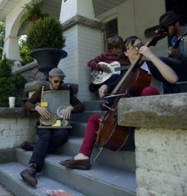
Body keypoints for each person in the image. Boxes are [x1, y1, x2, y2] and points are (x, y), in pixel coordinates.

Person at [59, 36, 178, 170]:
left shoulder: (149, 65)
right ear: (126, 53)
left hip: (150, 114)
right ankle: (83, 157)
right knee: (93, 119)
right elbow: (112, 89)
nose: (136, 48)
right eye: (131, 47)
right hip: (128, 114)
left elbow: (173, 78)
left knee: (148, 90)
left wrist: (151, 56)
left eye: (139, 45)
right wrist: (105, 87)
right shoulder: (124, 73)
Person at [20, 68, 85, 187]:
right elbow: (27, 104)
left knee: (63, 135)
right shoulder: (42, 90)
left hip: (60, 124)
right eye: (56, 81)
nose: (59, 84)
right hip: (44, 123)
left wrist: (71, 108)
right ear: (50, 79)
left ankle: (36, 147)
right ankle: (31, 169)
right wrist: (37, 108)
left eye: (61, 82)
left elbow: (81, 106)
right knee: (45, 136)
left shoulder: (66, 90)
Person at [148, 11, 187, 93]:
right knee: (156, 63)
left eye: (167, 27)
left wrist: (180, 55)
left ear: (176, 23)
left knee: (162, 61)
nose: (166, 30)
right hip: (182, 71)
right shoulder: (174, 39)